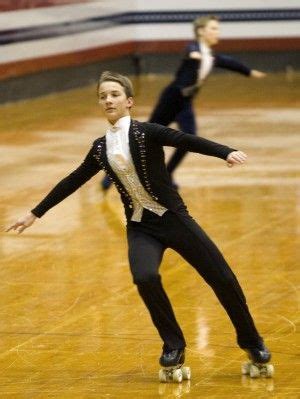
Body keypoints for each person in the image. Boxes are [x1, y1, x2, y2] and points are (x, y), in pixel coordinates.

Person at [6, 71, 272, 380]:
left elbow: (186, 140)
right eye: (103, 96)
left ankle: (252, 342)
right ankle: (173, 345)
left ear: (129, 101)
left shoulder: (148, 132)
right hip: (141, 226)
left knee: (222, 277)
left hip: (175, 220)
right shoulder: (98, 148)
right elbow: (73, 180)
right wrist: (35, 213)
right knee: (144, 276)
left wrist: (224, 151)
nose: (108, 99)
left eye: (114, 94)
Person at [100, 14, 266, 191]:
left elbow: (231, 63)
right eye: (214, 28)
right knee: (142, 138)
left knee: (189, 137)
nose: (217, 32)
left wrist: (249, 72)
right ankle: (113, 172)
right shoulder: (193, 48)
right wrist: (194, 54)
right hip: (171, 99)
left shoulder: (212, 57)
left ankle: (168, 174)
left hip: (185, 103)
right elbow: (189, 51)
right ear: (201, 31)